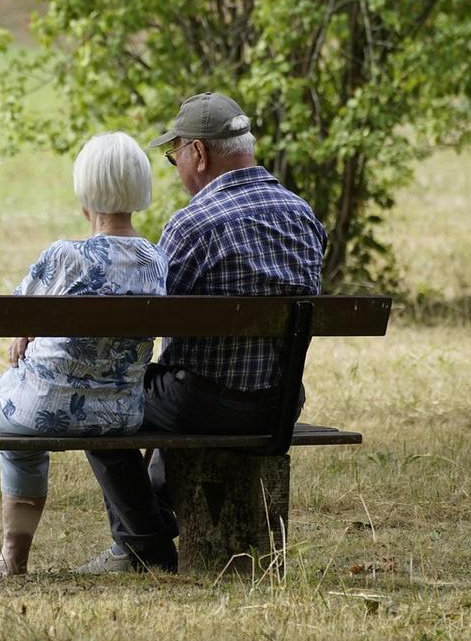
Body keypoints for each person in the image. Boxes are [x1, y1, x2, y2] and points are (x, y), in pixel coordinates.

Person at [75, 92, 327, 574]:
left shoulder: (192, 225)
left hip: (205, 405)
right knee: (177, 382)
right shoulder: (304, 216)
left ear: (198, 153)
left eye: (174, 158)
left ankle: (144, 546)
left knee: (99, 397)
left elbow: (150, 323)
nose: (176, 169)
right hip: (280, 404)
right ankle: (153, 521)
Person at [0, 131, 169, 580]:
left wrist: (25, 331)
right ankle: (12, 563)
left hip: (40, 407)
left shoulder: (65, 256)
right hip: (118, 415)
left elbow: (12, 315)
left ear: (85, 191)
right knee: (20, 432)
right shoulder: (156, 261)